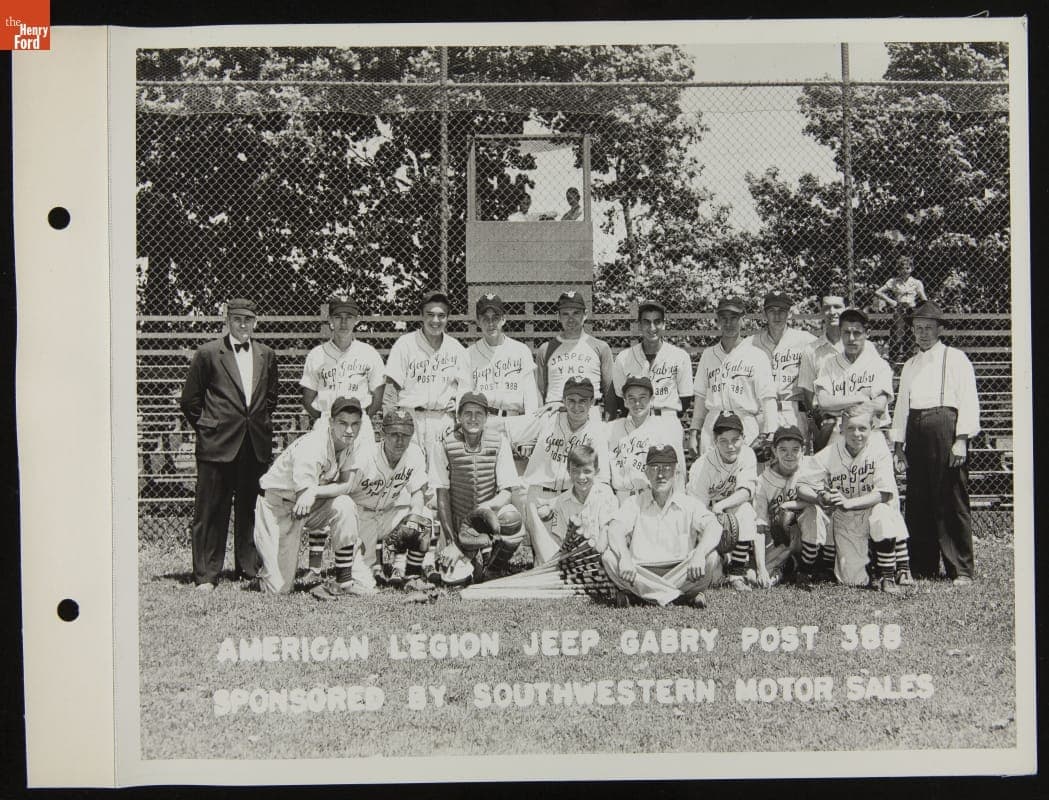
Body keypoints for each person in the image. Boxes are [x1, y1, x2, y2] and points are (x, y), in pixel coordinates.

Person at [179, 297, 279, 591]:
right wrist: (211, 426)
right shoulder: (208, 353)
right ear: (228, 320)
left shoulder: (267, 354)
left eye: (248, 319)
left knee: (251, 508)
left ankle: (248, 569)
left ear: (256, 322)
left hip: (254, 443)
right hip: (217, 444)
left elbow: (270, 398)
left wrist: (254, 423)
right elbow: (190, 400)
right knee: (211, 509)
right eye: (237, 319)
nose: (243, 324)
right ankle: (207, 575)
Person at [891, 301, 980, 585]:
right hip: (916, 431)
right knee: (919, 500)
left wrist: (961, 439)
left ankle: (961, 568)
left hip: (946, 427)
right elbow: (902, 407)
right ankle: (923, 564)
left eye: (929, 328)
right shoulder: (910, 364)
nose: (923, 334)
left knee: (950, 498)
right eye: (918, 329)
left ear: (940, 329)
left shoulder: (956, 358)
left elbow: (968, 400)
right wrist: (898, 446)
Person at [252, 397, 373, 598]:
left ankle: (345, 580)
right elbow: (302, 497)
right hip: (278, 506)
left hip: (309, 504)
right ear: (331, 422)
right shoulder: (313, 445)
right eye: (343, 423)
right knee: (278, 589)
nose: (349, 430)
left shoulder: (349, 443)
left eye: (355, 424)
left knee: (344, 505)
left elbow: (346, 484)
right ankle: (267, 566)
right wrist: (310, 492)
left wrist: (315, 491)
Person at [299, 294, 386, 570]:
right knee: (324, 488)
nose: (344, 321)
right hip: (327, 427)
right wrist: (328, 421)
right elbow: (307, 398)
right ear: (330, 320)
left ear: (357, 320)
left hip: (360, 428)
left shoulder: (368, 353)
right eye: (338, 316)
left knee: (368, 490)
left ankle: (370, 561)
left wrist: (354, 423)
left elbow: (378, 396)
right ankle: (314, 567)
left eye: (349, 316)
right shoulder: (317, 354)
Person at [797, 404, 909, 592]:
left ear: (872, 428)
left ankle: (887, 575)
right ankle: (872, 559)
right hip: (846, 519)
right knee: (852, 580)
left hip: (871, 509)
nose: (856, 434)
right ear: (841, 428)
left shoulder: (879, 448)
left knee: (883, 513)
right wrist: (820, 497)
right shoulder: (831, 452)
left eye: (862, 428)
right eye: (850, 428)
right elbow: (800, 486)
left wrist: (849, 503)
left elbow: (884, 493)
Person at [601, 445, 725, 608]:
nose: (660, 474)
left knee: (711, 558)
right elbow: (615, 528)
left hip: (681, 571)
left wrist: (699, 554)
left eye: (667, 468)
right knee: (609, 557)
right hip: (641, 571)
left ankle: (641, 596)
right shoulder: (634, 502)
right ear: (646, 472)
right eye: (654, 468)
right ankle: (682, 596)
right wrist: (624, 557)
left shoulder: (689, 503)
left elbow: (713, 526)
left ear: (676, 471)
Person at [517, 376, 612, 565]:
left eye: (583, 401)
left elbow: (602, 479)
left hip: (572, 500)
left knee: (570, 564)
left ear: (592, 403)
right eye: (571, 401)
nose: (576, 407)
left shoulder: (597, 431)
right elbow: (515, 435)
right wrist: (544, 413)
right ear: (563, 400)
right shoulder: (548, 419)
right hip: (539, 498)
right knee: (549, 564)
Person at [431, 392, 522, 583]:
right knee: (452, 579)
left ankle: (493, 567)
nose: (473, 418)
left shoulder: (499, 442)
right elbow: (442, 494)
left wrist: (485, 510)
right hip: (458, 523)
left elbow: (507, 492)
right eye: (468, 413)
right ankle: (471, 557)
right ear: (459, 416)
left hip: (486, 520)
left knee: (513, 519)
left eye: (479, 413)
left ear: (486, 417)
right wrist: (452, 542)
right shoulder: (444, 444)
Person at [347, 408, 430, 589]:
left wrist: (414, 519)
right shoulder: (365, 455)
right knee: (365, 584)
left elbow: (417, 492)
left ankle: (408, 574)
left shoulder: (414, 454)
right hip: (362, 517)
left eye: (405, 435)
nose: (400, 440)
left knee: (425, 516)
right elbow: (344, 494)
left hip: (388, 515)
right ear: (383, 433)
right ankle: (367, 566)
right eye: (394, 434)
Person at [687, 296, 777, 458]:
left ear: (743, 320)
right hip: (714, 423)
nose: (729, 324)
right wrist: (694, 432)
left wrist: (769, 434)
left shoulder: (757, 355)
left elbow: (768, 399)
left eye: (734, 318)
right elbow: (700, 398)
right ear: (718, 321)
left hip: (745, 423)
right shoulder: (708, 355)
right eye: (724, 319)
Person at [383, 290, 465, 466]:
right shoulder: (405, 344)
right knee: (409, 474)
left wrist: (458, 404)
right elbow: (390, 389)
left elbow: (467, 388)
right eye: (430, 315)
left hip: (443, 420)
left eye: (441, 316)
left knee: (442, 478)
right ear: (421, 315)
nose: (435, 321)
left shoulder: (456, 348)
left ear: (447, 318)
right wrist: (392, 425)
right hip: (410, 417)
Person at [686, 412, 761, 591]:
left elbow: (746, 492)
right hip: (707, 518)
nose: (730, 446)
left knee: (745, 511)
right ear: (714, 440)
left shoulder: (748, 454)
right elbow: (696, 511)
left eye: (735, 440)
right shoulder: (701, 466)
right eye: (723, 441)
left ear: (744, 438)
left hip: (727, 509)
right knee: (714, 578)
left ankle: (737, 572)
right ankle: (723, 559)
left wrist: (721, 505)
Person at [798, 288, 876, 449]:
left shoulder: (866, 347)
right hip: (827, 423)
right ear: (820, 310)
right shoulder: (811, 350)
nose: (831, 312)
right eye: (826, 307)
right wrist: (816, 423)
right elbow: (808, 395)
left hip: (859, 422)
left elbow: (874, 391)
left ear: (846, 309)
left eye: (837, 307)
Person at [754, 425, 831, 584]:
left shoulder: (811, 466)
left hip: (813, 534)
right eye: (783, 450)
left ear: (802, 450)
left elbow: (824, 502)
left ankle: (807, 568)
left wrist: (791, 504)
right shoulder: (763, 481)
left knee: (811, 511)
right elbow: (760, 527)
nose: (789, 455)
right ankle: (791, 564)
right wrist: (761, 568)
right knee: (756, 577)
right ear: (774, 451)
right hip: (780, 540)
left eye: (795, 449)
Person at [812, 308, 894, 449]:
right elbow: (824, 402)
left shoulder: (879, 365)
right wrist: (860, 398)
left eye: (857, 333)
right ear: (840, 332)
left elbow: (879, 405)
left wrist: (840, 408)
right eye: (846, 332)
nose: (851, 338)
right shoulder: (830, 364)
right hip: (839, 433)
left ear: (867, 334)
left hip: (871, 433)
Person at [744, 292, 817, 441]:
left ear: (789, 314)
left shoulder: (806, 340)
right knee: (763, 460)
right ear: (765, 314)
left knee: (795, 459)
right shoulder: (750, 343)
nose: (777, 316)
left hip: (794, 410)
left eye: (782, 311)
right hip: (762, 411)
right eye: (772, 311)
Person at [535, 291, 616, 422]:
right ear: (559, 317)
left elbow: (609, 392)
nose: (570, 319)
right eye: (565, 314)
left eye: (576, 313)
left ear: (585, 315)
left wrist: (608, 423)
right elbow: (539, 391)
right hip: (554, 414)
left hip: (589, 413)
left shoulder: (601, 347)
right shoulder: (546, 349)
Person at [610, 299, 693, 425]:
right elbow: (620, 399)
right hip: (635, 420)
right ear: (639, 325)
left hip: (667, 419)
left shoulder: (680, 356)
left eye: (657, 322)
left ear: (664, 324)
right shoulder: (623, 357)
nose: (652, 327)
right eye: (646, 322)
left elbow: (686, 398)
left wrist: (667, 414)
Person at [607, 376, 686, 502]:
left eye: (643, 397)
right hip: (620, 498)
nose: (637, 403)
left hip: (652, 498)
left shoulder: (666, 429)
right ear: (625, 402)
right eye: (631, 398)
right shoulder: (611, 429)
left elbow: (678, 473)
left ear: (652, 399)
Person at [548, 444, 619, 554]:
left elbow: (606, 529)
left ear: (596, 471)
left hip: (603, 555)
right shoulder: (562, 501)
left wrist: (596, 554)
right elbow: (561, 539)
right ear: (568, 471)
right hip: (574, 558)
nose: (581, 477)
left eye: (587, 471)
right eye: (575, 471)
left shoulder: (605, 493)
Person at [874, 256, 928, 364]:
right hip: (899, 308)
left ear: (912, 269)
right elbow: (878, 292)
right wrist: (891, 301)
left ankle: (909, 360)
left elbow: (923, 298)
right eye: (902, 268)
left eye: (907, 268)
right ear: (898, 269)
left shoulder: (916, 282)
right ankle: (893, 360)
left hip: (912, 309)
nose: (905, 271)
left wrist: (924, 309)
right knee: (897, 334)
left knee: (911, 335)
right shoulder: (894, 281)